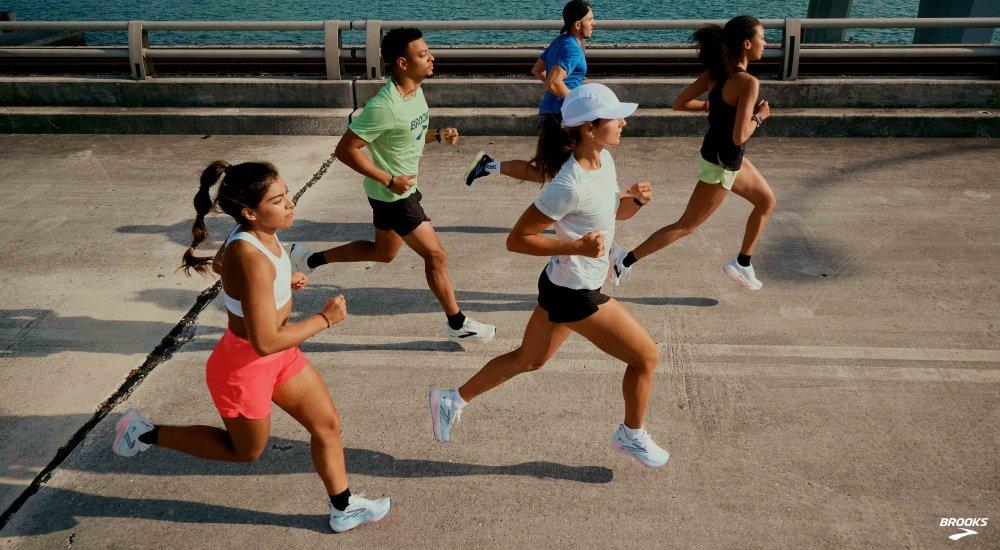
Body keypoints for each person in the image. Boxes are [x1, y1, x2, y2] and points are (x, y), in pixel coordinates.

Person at [113, 160, 390, 533]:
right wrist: (324, 319)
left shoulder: (258, 233)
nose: (289, 203)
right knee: (245, 451)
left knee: (327, 424)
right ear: (249, 212)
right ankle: (143, 432)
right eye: (277, 200)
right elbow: (265, 341)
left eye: (286, 194)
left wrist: (278, 282)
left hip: (280, 356)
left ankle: (342, 508)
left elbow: (227, 268)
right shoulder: (249, 254)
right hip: (245, 366)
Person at [429, 84, 669, 469]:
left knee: (529, 359)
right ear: (589, 128)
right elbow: (517, 240)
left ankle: (451, 399)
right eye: (615, 117)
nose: (624, 122)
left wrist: (636, 201)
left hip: (561, 284)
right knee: (646, 357)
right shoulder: (567, 184)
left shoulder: (605, 161)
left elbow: (613, 215)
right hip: (576, 294)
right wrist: (576, 248)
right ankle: (631, 434)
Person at [289, 27, 495, 343]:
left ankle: (309, 259)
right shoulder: (384, 107)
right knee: (436, 256)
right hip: (394, 195)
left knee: (383, 252)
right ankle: (457, 324)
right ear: (402, 63)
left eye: (428, 51)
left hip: (394, 191)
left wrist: (437, 135)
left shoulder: (415, 92)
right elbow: (345, 150)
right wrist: (388, 179)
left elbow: (406, 135)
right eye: (423, 54)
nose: (431, 57)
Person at [609, 15, 777, 291]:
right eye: (763, 38)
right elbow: (739, 136)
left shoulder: (715, 74)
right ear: (747, 43)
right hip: (722, 165)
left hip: (722, 157)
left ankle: (743, 262)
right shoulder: (748, 82)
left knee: (766, 201)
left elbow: (679, 103)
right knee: (686, 226)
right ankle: (623, 261)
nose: (766, 43)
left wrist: (712, 105)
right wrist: (760, 117)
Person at [464, 0, 595, 186]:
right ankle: (488, 165)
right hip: (561, 117)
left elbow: (538, 69)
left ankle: (488, 165)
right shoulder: (572, 49)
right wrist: (576, 100)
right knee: (548, 173)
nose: (594, 23)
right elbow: (553, 82)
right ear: (577, 24)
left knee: (563, 169)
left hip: (555, 113)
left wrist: (558, 91)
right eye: (590, 19)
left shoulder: (560, 41)